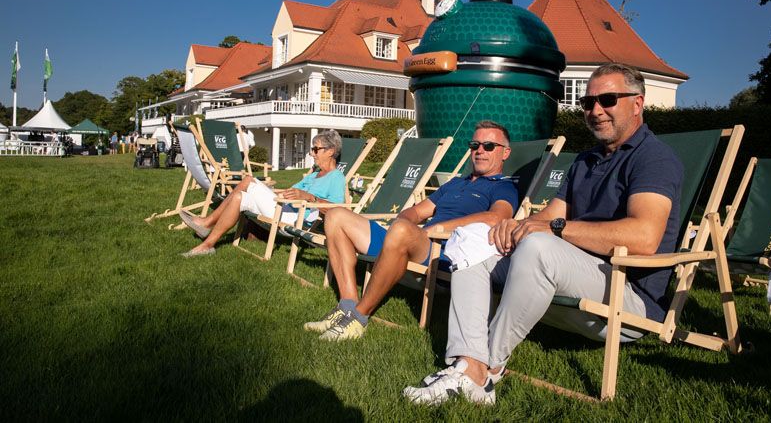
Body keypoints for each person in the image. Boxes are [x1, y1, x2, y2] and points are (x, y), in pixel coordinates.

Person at [403, 63, 684, 406]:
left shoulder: (653, 158)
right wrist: (514, 227)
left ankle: (486, 369)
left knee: (538, 245)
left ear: (637, 103)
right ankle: (467, 362)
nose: (595, 111)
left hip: (628, 294)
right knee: (473, 239)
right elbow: (550, 216)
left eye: (607, 100)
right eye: (587, 102)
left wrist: (550, 230)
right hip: (573, 272)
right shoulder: (586, 161)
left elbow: (644, 237)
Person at [304, 120, 519, 341]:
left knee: (401, 231)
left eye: (489, 146)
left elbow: (497, 217)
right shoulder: (455, 184)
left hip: (442, 251)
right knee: (336, 216)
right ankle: (347, 305)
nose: (480, 151)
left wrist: (437, 228)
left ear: (505, 153)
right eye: (475, 145)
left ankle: (358, 318)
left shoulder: (503, 186)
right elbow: (415, 213)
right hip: (413, 239)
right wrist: (403, 223)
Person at [180, 129, 346, 258]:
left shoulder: (336, 178)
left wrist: (309, 197)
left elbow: (338, 210)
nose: (312, 153)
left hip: (296, 218)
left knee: (248, 181)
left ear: (330, 151)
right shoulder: (314, 174)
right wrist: (280, 193)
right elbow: (291, 192)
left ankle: (207, 223)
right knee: (240, 197)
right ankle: (208, 245)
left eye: (316, 149)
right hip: (284, 208)